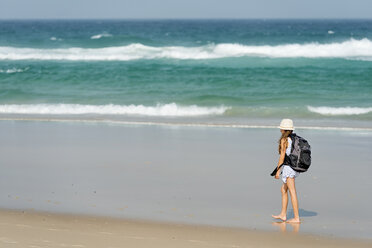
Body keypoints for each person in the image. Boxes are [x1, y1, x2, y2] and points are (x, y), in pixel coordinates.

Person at [272, 119, 300, 223]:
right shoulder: (293, 138)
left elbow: (282, 157)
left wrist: (278, 171)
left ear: (283, 129)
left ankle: (296, 218)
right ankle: (283, 214)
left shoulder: (284, 140)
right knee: (283, 190)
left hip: (289, 168)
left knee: (292, 192)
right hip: (293, 167)